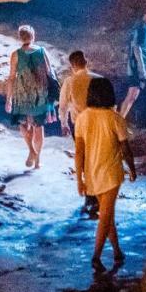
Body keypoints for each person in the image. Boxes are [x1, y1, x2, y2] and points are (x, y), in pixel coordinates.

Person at [75, 77, 137, 271]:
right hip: (111, 173)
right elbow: (125, 148)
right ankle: (96, 256)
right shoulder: (114, 118)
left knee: (107, 213)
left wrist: (79, 179)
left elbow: (79, 152)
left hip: (92, 173)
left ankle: (117, 251)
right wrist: (132, 169)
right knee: (106, 215)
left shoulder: (82, 118)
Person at [4, 25, 56, 169]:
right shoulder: (41, 51)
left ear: (20, 37)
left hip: (22, 94)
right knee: (38, 127)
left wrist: (8, 98)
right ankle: (37, 161)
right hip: (40, 94)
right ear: (33, 36)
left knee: (23, 124)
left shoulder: (16, 54)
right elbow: (49, 72)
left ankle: (31, 151)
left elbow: (11, 78)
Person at [58, 51, 99, 217]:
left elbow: (63, 105)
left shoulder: (70, 81)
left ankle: (91, 198)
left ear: (72, 66)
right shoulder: (98, 79)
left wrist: (64, 123)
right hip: (98, 125)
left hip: (80, 126)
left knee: (86, 160)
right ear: (86, 61)